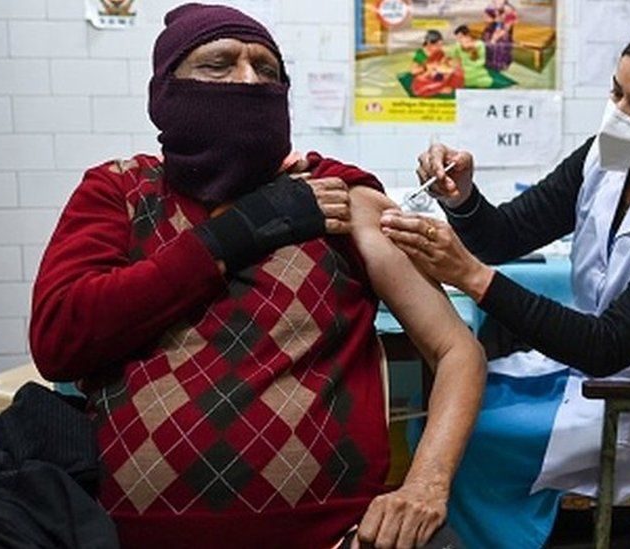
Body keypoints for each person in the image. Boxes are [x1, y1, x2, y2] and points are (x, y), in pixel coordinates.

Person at [29, 4, 485, 548]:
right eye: (218, 65)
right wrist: (240, 232)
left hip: (338, 536)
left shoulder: (336, 197)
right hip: (128, 537)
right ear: (165, 93)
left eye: (267, 70)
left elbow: (457, 348)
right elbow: (60, 340)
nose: (248, 81)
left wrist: (426, 486)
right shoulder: (121, 194)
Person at [381, 24, 630, 548]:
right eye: (616, 93)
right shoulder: (606, 158)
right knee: (441, 414)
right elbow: (506, 235)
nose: (620, 116)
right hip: (590, 384)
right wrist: (463, 197)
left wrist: (468, 275)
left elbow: (607, 346)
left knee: (464, 440)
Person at [410, 30, 463, 97]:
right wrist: (426, 67)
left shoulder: (439, 51)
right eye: (437, 45)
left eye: (441, 45)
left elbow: (443, 61)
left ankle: (442, 85)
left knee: (457, 71)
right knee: (418, 88)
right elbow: (413, 71)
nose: (440, 47)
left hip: (438, 74)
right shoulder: (421, 54)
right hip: (425, 78)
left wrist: (449, 61)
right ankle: (439, 89)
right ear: (429, 43)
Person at [482, 0, 517, 71]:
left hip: (503, 31)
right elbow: (486, 19)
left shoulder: (510, 9)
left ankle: (500, 64)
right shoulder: (490, 7)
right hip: (491, 29)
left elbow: (507, 27)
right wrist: (494, 18)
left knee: (501, 41)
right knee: (487, 37)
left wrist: (496, 37)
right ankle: (487, 61)